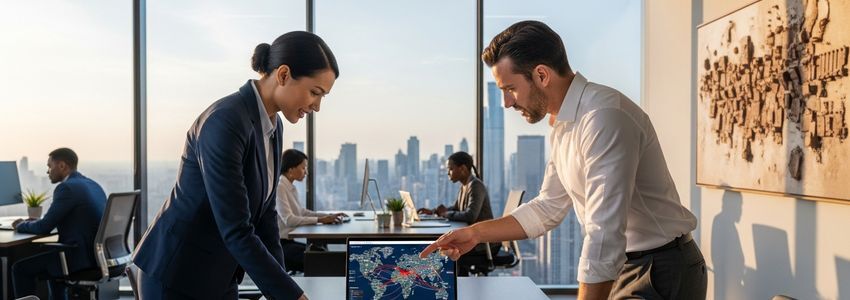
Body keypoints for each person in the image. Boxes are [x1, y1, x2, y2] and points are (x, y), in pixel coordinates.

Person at [421, 21, 706, 299]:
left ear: (541, 75)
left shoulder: (603, 117)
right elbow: (548, 207)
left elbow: (604, 234)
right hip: (626, 265)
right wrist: (476, 233)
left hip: (659, 270)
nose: (507, 103)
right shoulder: (564, 123)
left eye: (510, 89)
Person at [133, 31, 339, 300]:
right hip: (177, 275)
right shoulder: (226, 120)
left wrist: (284, 288)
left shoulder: (273, 126)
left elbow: (266, 218)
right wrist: (291, 296)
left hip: (219, 274)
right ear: (283, 75)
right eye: (315, 92)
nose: (317, 106)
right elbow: (237, 228)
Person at [12, 148, 107, 299]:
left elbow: (43, 228)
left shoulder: (67, 188)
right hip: (98, 257)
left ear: (62, 166)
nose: (48, 171)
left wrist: (20, 225)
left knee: (20, 268)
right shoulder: (93, 185)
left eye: (50, 166)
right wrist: (39, 222)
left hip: (79, 259)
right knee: (55, 263)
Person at [417, 151, 498, 275]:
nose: (448, 173)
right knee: (444, 249)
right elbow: (456, 208)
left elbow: (470, 216)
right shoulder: (465, 186)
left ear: (463, 168)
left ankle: (456, 285)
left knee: (447, 253)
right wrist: (434, 211)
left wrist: (445, 214)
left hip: (483, 245)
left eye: (451, 169)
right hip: (475, 241)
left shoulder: (476, 186)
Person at [276, 148, 346, 272]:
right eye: (303, 168)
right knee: (322, 258)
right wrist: (320, 220)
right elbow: (289, 219)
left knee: (321, 251)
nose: (306, 172)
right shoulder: (280, 187)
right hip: (281, 245)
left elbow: (301, 212)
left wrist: (328, 216)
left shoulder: (289, 186)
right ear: (291, 169)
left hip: (289, 242)